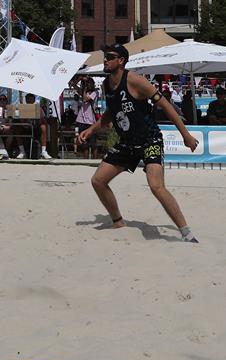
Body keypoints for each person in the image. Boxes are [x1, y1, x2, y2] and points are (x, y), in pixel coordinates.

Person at [77, 44, 201, 242]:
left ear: (121, 61)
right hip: (127, 142)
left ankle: (186, 232)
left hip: (149, 140)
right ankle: (118, 222)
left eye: (110, 56)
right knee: (98, 181)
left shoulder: (135, 80)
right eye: (105, 56)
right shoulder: (106, 84)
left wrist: (185, 135)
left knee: (156, 186)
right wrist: (91, 129)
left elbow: (166, 105)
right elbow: (111, 112)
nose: (105, 59)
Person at [75, 77, 99, 158]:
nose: (88, 85)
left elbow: (86, 99)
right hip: (82, 121)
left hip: (91, 122)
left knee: (93, 144)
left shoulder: (95, 92)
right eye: (87, 83)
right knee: (84, 144)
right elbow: (74, 86)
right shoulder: (84, 91)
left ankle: (95, 161)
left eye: (89, 83)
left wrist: (84, 90)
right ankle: (85, 160)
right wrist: (79, 79)